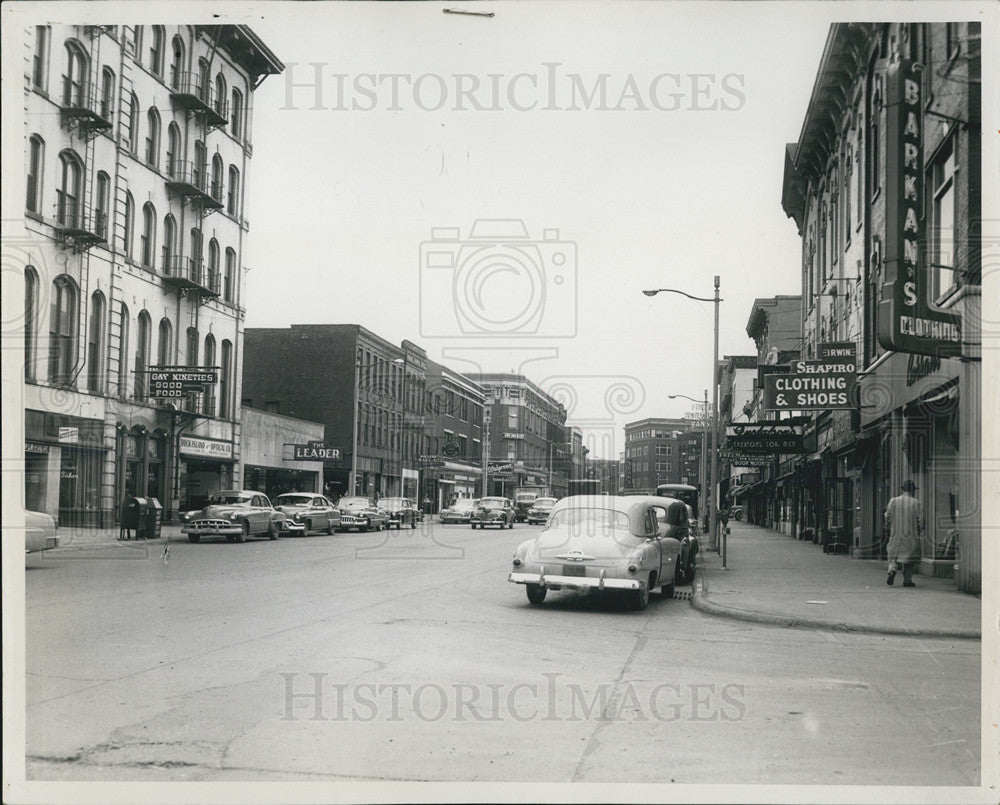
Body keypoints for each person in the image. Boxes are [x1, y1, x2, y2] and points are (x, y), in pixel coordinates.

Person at [884, 480, 924, 587]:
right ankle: (907, 580)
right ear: (912, 491)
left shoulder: (893, 501)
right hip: (911, 534)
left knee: (893, 556)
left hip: (896, 532)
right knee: (909, 559)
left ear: (903, 490)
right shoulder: (915, 502)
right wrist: (920, 530)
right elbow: (921, 520)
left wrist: (888, 527)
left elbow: (887, 516)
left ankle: (892, 571)